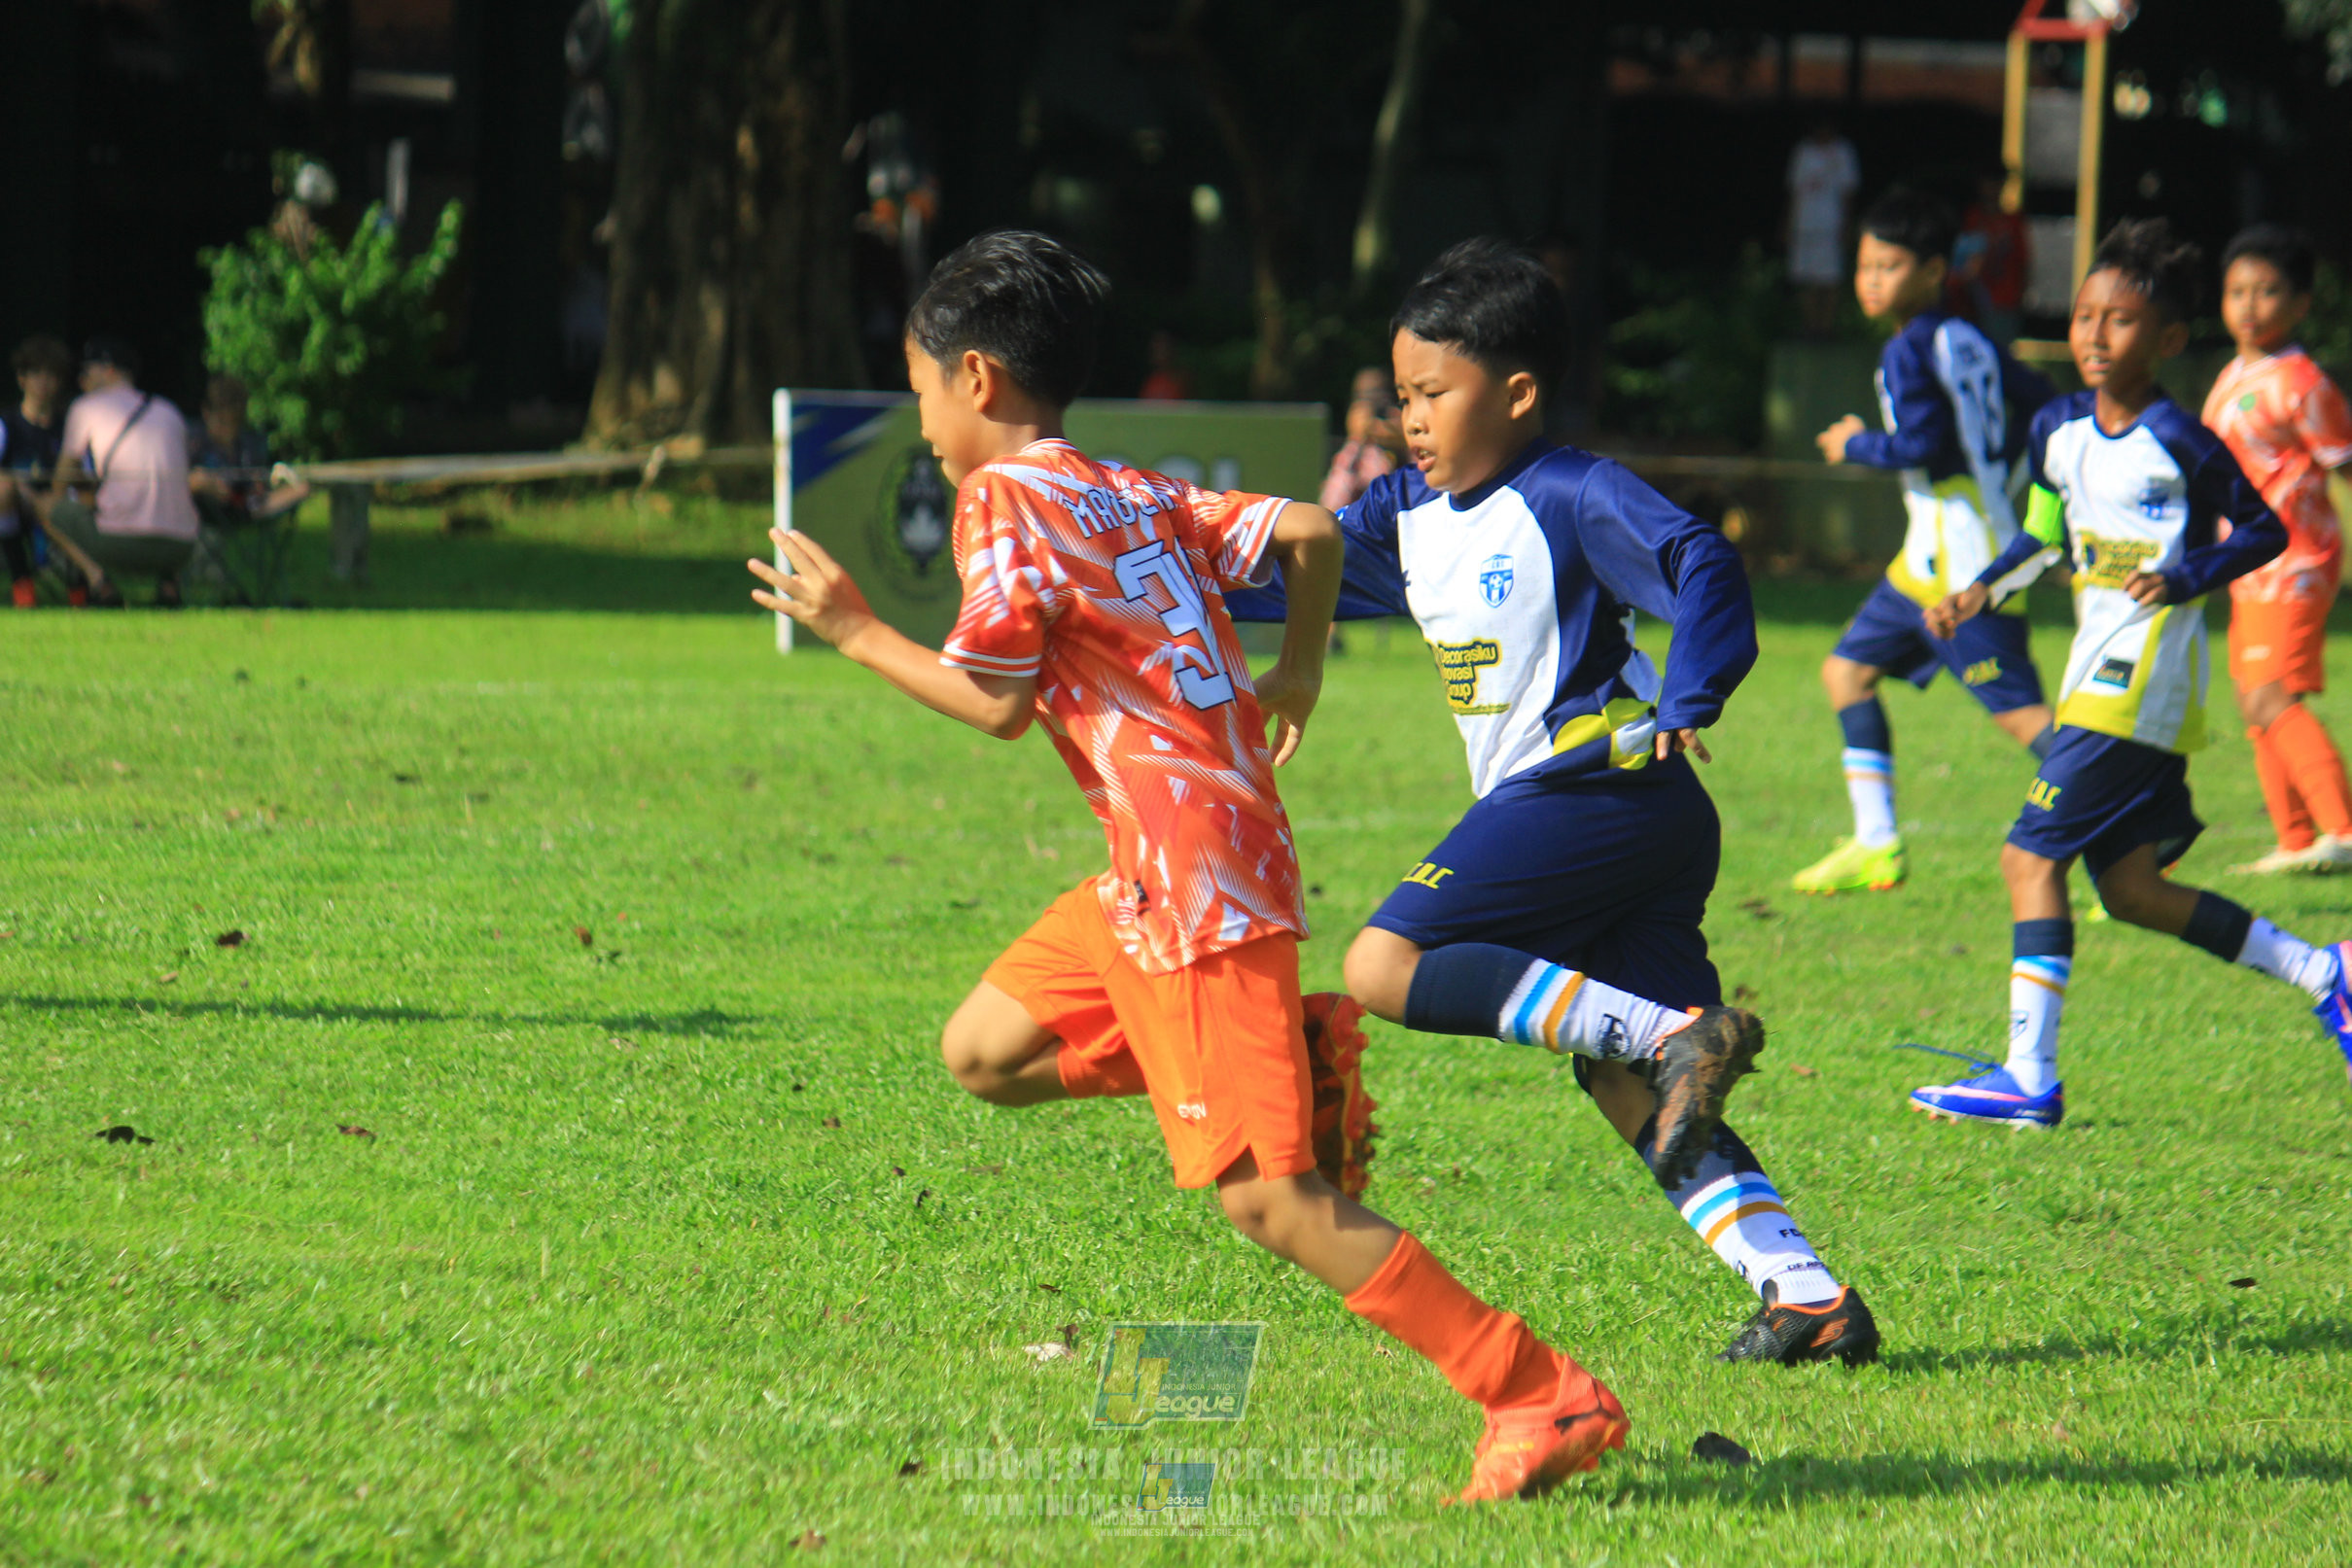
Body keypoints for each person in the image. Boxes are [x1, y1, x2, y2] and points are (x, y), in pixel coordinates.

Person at [745, 230, 1631, 1502]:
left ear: (978, 379)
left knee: (1268, 1201)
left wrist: (850, 628)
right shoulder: (1123, 485)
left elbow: (992, 701)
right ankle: (1293, 1039)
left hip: (1187, 881)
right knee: (983, 1053)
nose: (922, 419)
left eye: (921, 387)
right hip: (1183, 858)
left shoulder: (1001, 500)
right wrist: (1301, 665)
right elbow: (1309, 532)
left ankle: (1533, 1391)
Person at [1234, 238, 1871, 1366]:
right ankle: (1806, 1293)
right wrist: (1133, 555)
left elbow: (1699, 562)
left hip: (1602, 789)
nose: (1412, 420)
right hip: (1620, 819)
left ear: (1517, 393)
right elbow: (1287, 556)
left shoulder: (1569, 492)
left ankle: (1682, 1032)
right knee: (1628, 1085)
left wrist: (1693, 687)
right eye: (1402, 397)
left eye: (1435, 394)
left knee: (1384, 965)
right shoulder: (1405, 517)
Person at [1912, 219, 2352, 1126]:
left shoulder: (2183, 441)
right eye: (2082, 316)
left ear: (2168, 340)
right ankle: (2325, 972)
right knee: (2132, 891)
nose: (2093, 335)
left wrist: (2186, 574)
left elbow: (2263, 529)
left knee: (2025, 856)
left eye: (2118, 321)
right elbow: (2041, 535)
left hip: (2142, 681)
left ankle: (2029, 1076)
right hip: (2091, 672)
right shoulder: (2055, 429)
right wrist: (1978, 593)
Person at [1793, 191, 2057, 895]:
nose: (1872, 278)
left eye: (1890, 264)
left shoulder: (1911, 348)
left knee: (2022, 717)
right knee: (1844, 672)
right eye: (1864, 265)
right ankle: (1876, 843)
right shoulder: (1965, 336)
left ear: (1935, 269)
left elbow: (1924, 445)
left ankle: (2132, 824)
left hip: (1962, 566)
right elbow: (2040, 399)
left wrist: (1855, 442)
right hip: (1926, 559)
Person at [2199, 225, 2352, 875]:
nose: (2248, 305)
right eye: (2236, 290)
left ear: (2299, 304)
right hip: (2246, 562)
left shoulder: (2303, 383)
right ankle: (2294, 840)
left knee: (2269, 695)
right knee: (2252, 697)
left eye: (2266, 292)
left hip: (2294, 560)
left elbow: (2342, 468)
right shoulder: (2234, 373)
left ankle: (2342, 830)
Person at [46, 337, 199, 607]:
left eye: (86, 373)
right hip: (182, 547)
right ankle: (169, 586)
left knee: (48, 506)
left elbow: (60, 484)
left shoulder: (86, 408)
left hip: (120, 545)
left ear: (109, 371)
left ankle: (100, 584)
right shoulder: (170, 412)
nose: (82, 381)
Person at [0, 334, 72, 606]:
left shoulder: (69, 427)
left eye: (50, 374)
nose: (43, 382)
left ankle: (82, 588)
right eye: (35, 373)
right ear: (22, 379)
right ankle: (23, 583)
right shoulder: (7, 424)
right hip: (17, 507)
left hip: (60, 507)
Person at [1786, 119, 1859, 338]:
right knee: (1806, 277)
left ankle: (1826, 328)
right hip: (1805, 223)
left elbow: (1849, 191)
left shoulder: (1843, 151)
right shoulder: (1802, 152)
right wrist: (1788, 224)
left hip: (1831, 224)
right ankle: (1810, 327)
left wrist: (1846, 224)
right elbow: (1793, 191)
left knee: (1829, 279)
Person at [1948, 171, 2029, 350]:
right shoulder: (1972, 218)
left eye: (1996, 182)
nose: (1991, 188)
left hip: (2003, 303)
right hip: (1969, 303)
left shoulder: (2013, 221)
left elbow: (2023, 262)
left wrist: (2020, 297)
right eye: (1988, 182)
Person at [1318, 366, 1400, 511]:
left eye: (1380, 395)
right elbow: (1331, 504)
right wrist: (1357, 441)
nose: (1373, 405)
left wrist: (1399, 440)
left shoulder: (1405, 429)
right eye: (1363, 398)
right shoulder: (1353, 453)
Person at [1137, 328, 1193, 401]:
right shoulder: (1151, 380)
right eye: (1155, 344)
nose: (1155, 348)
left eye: (1161, 344)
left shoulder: (1182, 379)